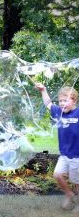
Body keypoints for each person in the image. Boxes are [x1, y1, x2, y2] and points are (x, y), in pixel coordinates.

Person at [35, 83, 79, 213]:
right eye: (60, 100)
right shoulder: (59, 112)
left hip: (77, 156)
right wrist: (43, 90)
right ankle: (69, 194)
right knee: (57, 174)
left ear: (74, 101)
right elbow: (48, 104)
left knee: (77, 182)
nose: (61, 103)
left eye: (65, 100)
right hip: (64, 154)